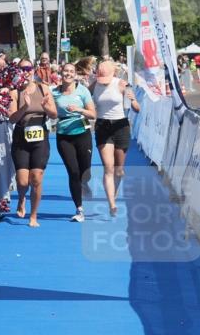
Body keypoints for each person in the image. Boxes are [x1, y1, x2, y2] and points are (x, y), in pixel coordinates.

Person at [8, 58, 57, 227]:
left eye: (28, 68)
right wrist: (24, 107)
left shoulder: (43, 88)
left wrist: (45, 107)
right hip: (21, 137)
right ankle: (21, 198)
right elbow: (11, 119)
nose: (26, 71)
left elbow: (54, 114)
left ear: (33, 70)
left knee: (36, 178)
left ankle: (33, 215)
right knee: (22, 182)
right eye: (22, 69)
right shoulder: (14, 92)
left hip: (40, 137)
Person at [92, 60, 139, 216]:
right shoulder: (94, 85)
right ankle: (112, 204)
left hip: (120, 126)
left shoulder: (122, 84)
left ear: (113, 73)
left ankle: (114, 191)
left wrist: (132, 98)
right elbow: (85, 99)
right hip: (102, 126)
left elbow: (137, 108)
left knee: (118, 171)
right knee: (108, 167)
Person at [52, 62, 96, 222]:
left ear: (75, 74)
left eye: (71, 71)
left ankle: (85, 183)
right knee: (73, 172)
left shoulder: (82, 90)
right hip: (64, 136)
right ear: (61, 73)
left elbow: (93, 114)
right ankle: (79, 209)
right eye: (66, 71)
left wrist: (79, 110)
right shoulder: (54, 92)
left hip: (82, 133)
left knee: (85, 171)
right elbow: (49, 112)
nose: (68, 74)